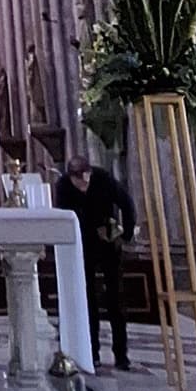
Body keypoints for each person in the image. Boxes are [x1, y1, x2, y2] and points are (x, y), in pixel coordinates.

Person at [55, 154, 137, 370]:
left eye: (86, 179)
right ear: (71, 177)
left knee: (115, 298)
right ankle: (92, 352)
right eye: (79, 181)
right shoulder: (63, 186)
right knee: (88, 297)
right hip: (83, 245)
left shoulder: (103, 179)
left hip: (108, 241)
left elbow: (126, 204)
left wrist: (126, 235)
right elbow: (62, 217)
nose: (84, 185)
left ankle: (121, 354)